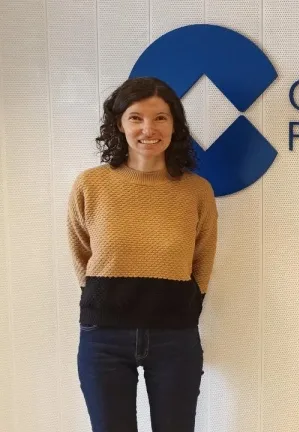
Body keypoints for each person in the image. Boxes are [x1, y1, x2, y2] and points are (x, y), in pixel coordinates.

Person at [67, 76, 218, 432]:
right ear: (119, 124)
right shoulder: (91, 184)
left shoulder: (196, 191)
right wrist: (104, 297)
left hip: (174, 335)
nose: (149, 129)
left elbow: (203, 256)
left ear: (174, 125)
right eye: (136, 117)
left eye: (160, 117)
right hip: (104, 336)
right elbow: (80, 249)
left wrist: (186, 305)